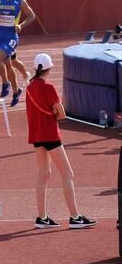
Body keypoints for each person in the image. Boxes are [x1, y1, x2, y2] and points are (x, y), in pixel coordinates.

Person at [26, 53, 96, 229]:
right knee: (67, 173)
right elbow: (62, 113)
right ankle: (75, 217)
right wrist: (54, 113)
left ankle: (42, 217)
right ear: (49, 68)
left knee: (43, 175)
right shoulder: (48, 87)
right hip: (50, 134)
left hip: (36, 135)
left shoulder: (29, 87)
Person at [0, 0, 36, 106]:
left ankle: (5, 82)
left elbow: (32, 16)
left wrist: (21, 25)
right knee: (8, 65)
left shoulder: (19, 1)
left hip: (11, 37)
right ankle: (16, 91)